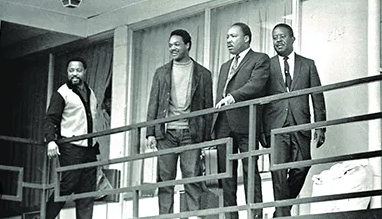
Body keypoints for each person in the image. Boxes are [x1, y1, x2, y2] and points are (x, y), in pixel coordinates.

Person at [146, 29, 213, 215]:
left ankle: (194, 216)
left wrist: (206, 137)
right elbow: (153, 102)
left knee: (192, 178)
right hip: (166, 134)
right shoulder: (161, 73)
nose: (172, 48)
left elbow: (208, 106)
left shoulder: (203, 74)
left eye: (176, 44)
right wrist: (150, 132)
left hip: (191, 134)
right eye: (170, 45)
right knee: (165, 180)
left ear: (187, 45)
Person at [262, 23, 326, 217]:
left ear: (292, 39)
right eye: (274, 37)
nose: (278, 40)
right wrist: (260, 132)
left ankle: (281, 211)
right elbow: (260, 102)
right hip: (275, 126)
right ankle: (283, 215)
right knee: (278, 172)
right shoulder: (267, 66)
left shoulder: (308, 64)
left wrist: (320, 126)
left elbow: (317, 96)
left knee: (303, 164)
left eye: (282, 36)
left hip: (301, 124)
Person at [212, 22, 270, 219]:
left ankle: (255, 215)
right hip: (223, 124)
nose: (228, 40)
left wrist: (232, 97)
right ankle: (230, 217)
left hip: (247, 122)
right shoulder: (224, 66)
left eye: (233, 36)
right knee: (226, 175)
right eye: (227, 37)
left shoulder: (259, 59)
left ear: (246, 38)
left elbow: (256, 85)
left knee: (250, 171)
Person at [44, 57, 99, 219]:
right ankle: (45, 216)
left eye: (78, 70)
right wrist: (51, 140)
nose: (75, 74)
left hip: (89, 149)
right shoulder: (62, 93)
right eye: (71, 70)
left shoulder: (91, 92)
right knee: (69, 184)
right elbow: (50, 118)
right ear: (67, 73)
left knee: (87, 192)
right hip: (71, 147)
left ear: (85, 72)